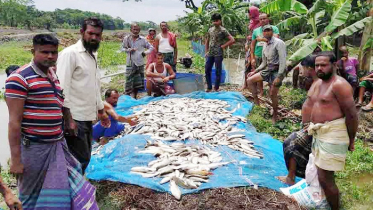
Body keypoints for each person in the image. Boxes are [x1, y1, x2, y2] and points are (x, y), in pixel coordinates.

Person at [5, 34, 98, 209]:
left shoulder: (52, 73)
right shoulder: (19, 79)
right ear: (33, 51)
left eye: (54, 52)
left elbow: (60, 99)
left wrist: (68, 119)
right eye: (44, 52)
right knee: (31, 194)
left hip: (56, 145)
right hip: (34, 149)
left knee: (61, 190)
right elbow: (14, 123)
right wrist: (16, 160)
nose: (50, 56)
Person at [304, 51, 358, 210]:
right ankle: (327, 202)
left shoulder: (339, 85)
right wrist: (306, 124)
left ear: (334, 65)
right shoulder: (318, 83)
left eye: (323, 65)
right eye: (317, 65)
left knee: (325, 178)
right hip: (319, 132)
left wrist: (351, 139)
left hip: (334, 132)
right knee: (322, 175)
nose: (319, 68)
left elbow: (352, 115)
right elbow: (311, 104)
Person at [57, 17, 111, 174]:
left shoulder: (92, 55)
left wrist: (101, 111)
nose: (94, 37)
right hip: (75, 117)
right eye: (90, 33)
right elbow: (61, 89)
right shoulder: (70, 54)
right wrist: (68, 119)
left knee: (84, 157)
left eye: (98, 34)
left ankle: (76, 192)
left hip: (87, 117)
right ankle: (73, 194)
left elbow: (94, 86)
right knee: (78, 160)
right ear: (82, 32)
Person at [277, 55, 319, 185]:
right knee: (295, 146)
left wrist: (311, 124)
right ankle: (296, 176)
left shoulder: (320, 84)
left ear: (310, 68)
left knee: (291, 144)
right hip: (309, 125)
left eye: (303, 68)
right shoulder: (313, 82)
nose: (301, 71)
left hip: (314, 127)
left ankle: (292, 177)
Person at [247, 25, 286, 124]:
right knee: (250, 80)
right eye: (265, 31)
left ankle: (275, 114)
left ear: (272, 32)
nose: (267, 33)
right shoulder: (264, 44)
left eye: (269, 31)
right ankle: (257, 104)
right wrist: (254, 71)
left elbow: (283, 62)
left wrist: (279, 76)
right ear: (263, 33)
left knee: (272, 93)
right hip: (268, 69)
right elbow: (264, 63)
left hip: (277, 70)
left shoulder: (279, 43)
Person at [249, 13, 280, 96]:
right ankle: (261, 92)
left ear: (268, 19)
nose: (262, 20)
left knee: (271, 73)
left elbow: (275, 39)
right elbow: (252, 45)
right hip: (258, 55)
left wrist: (262, 39)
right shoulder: (256, 31)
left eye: (264, 18)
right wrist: (252, 57)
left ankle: (272, 91)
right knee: (259, 74)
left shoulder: (274, 28)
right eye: (261, 19)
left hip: (271, 56)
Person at [121, 23, 154, 99]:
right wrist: (129, 50)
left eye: (137, 29)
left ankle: (134, 97)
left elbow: (151, 47)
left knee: (137, 82)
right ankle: (127, 98)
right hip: (130, 62)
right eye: (134, 29)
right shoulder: (127, 39)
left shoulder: (143, 39)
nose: (135, 31)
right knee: (129, 81)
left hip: (139, 63)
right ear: (131, 30)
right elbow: (122, 49)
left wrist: (145, 53)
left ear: (139, 30)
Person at [204, 13, 235, 92]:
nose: (215, 22)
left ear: (220, 21)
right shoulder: (210, 29)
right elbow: (207, 41)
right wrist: (206, 51)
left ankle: (216, 88)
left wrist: (223, 46)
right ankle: (209, 87)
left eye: (216, 21)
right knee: (207, 69)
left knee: (218, 70)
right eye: (213, 21)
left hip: (218, 53)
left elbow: (232, 40)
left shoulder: (223, 30)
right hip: (210, 53)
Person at [239, 6, 261, 91]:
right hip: (250, 45)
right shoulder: (252, 22)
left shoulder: (260, 23)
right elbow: (250, 34)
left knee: (255, 65)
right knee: (247, 64)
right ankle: (246, 84)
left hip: (257, 46)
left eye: (249, 13)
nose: (248, 14)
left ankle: (256, 87)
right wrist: (246, 43)